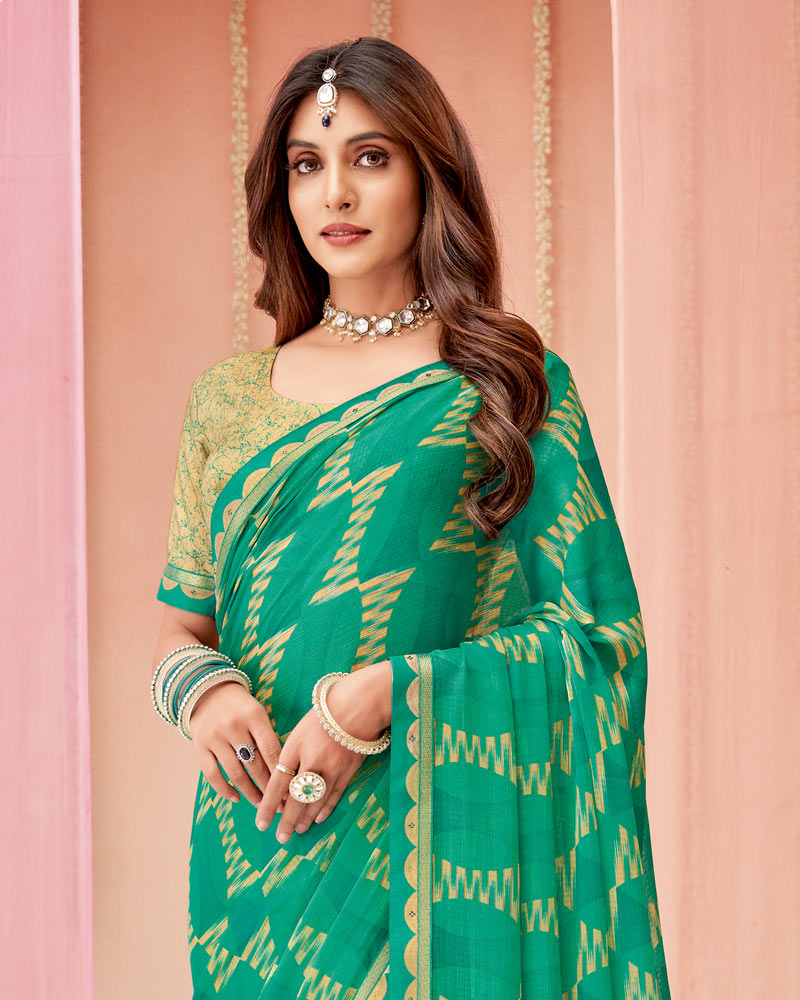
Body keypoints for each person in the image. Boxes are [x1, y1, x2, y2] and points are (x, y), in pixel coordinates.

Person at [151, 36, 672, 1000]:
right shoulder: (226, 400)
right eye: (307, 165)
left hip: (430, 852)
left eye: (370, 158)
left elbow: (598, 638)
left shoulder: (508, 382)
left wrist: (390, 693)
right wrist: (203, 694)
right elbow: (183, 628)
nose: (336, 194)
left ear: (431, 176)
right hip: (256, 856)